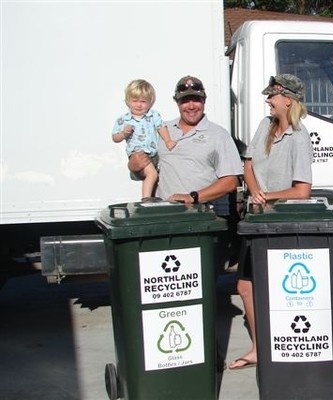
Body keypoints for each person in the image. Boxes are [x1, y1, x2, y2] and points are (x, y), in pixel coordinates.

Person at [228, 74, 313, 370]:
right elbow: (248, 163)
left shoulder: (300, 138)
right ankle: (260, 349)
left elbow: (302, 191)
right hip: (256, 219)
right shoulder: (266, 126)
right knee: (245, 286)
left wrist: (269, 196)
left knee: (275, 287)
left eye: (272, 96)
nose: (268, 100)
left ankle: (286, 345)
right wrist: (254, 192)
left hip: (282, 223)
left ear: (287, 100)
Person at [127, 75, 243, 271]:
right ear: (177, 102)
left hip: (203, 223)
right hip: (165, 222)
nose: (191, 105)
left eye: (196, 99)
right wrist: (134, 166)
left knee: (202, 287)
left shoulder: (219, 135)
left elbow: (230, 181)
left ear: (204, 101)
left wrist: (193, 197)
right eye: (185, 100)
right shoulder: (161, 131)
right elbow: (145, 172)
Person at [112, 79, 177, 201]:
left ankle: (154, 197)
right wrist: (123, 134)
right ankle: (146, 199)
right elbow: (115, 138)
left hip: (153, 153)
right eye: (135, 101)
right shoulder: (124, 119)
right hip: (137, 154)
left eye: (143, 101)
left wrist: (168, 140)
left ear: (150, 103)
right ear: (127, 101)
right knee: (152, 174)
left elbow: (161, 127)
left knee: (156, 176)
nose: (139, 105)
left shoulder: (153, 115)